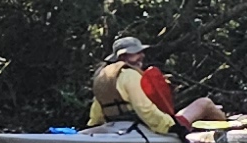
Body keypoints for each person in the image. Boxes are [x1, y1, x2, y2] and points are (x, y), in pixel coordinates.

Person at [85, 36, 227, 135]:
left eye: (141, 52)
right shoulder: (130, 75)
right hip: (148, 127)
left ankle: (220, 116)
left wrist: (92, 130)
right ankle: (227, 124)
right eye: (135, 53)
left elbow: (97, 114)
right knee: (205, 103)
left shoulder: (105, 77)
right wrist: (173, 129)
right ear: (123, 57)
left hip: (118, 127)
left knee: (207, 108)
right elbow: (144, 109)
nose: (141, 56)